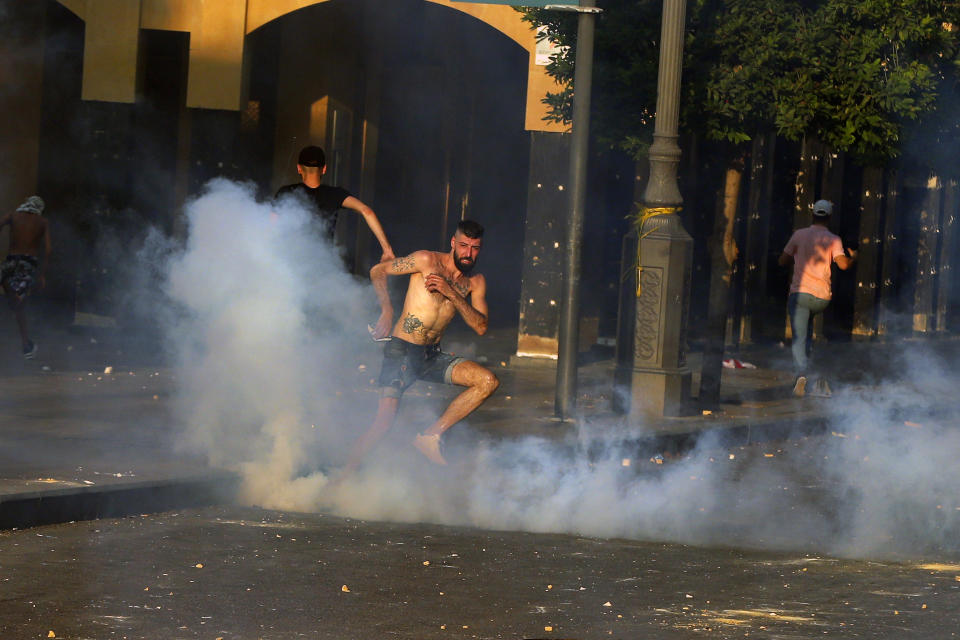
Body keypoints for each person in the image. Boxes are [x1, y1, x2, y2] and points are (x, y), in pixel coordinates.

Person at [341, 219, 498, 473]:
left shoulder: (475, 283)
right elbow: (377, 271)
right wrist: (387, 310)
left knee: (487, 381)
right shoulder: (427, 261)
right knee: (383, 424)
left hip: (431, 356)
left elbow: (480, 326)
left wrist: (451, 293)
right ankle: (341, 479)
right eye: (463, 246)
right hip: (401, 351)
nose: (468, 254)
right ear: (453, 243)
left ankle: (429, 437)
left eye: (475, 248)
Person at [778, 199, 856, 397]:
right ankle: (810, 373)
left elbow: (782, 261)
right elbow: (843, 265)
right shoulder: (834, 239)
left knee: (798, 337)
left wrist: (795, 258)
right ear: (829, 217)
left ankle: (801, 374)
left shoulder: (799, 234)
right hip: (821, 298)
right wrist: (853, 257)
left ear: (813, 214)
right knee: (808, 333)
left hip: (801, 294)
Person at [275, 145, 394, 261]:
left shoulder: (286, 193)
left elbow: (271, 227)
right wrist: (387, 250)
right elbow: (367, 211)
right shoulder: (335, 194)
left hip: (291, 264)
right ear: (324, 169)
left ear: (299, 168)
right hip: (323, 265)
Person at [1, 196, 52, 359]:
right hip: (27, 264)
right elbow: (48, 250)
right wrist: (42, 275)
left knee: (14, 301)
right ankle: (26, 345)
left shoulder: (12, 216)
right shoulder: (42, 222)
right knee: (18, 304)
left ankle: (26, 345)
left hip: (10, 261)